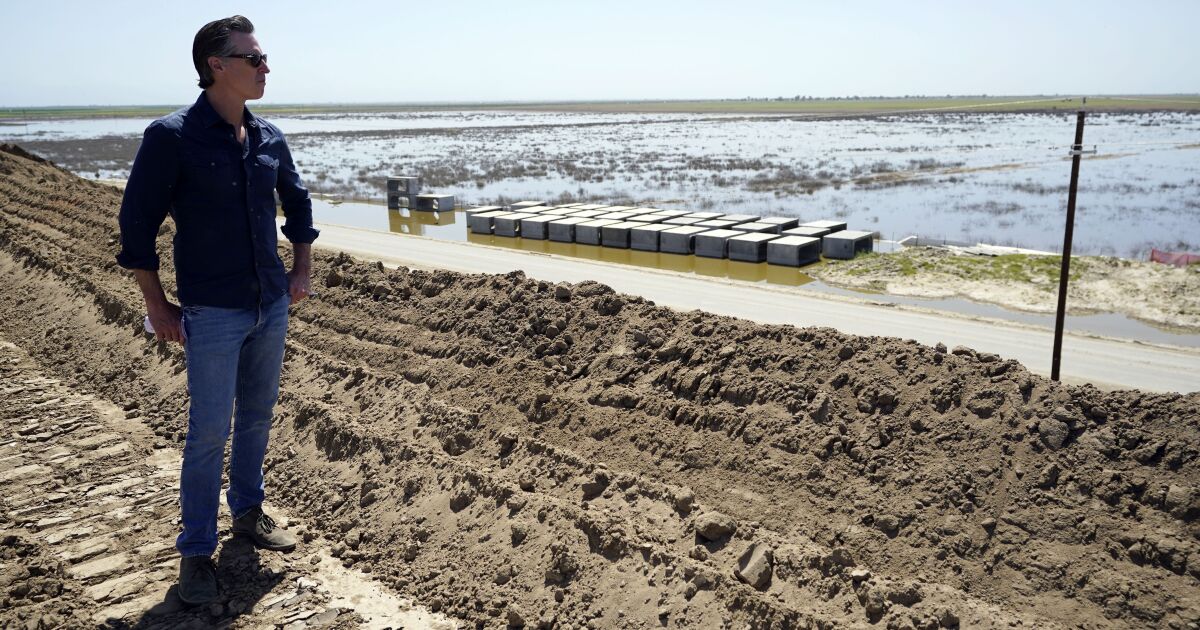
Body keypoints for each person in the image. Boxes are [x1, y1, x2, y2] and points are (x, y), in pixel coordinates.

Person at [115, 15, 317, 605]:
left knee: (257, 416)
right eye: (255, 59)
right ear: (217, 65)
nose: (266, 68)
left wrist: (300, 270)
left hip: (269, 305)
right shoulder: (171, 137)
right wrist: (159, 307)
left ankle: (248, 514)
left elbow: (298, 206)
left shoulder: (269, 136)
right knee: (208, 433)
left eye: (263, 57)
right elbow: (136, 228)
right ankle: (196, 554)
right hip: (212, 312)